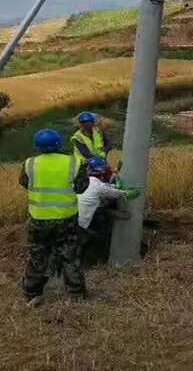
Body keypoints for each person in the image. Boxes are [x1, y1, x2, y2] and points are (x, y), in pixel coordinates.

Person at [19, 129, 89, 306]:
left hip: (39, 220)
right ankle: (76, 295)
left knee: (38, 258)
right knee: (70, 257)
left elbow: (25, 183)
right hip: (67, 220)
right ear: (59, 143)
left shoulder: (30, 163)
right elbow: (81, 188)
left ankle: (32, 294)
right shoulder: (74, 162)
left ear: (37, 146)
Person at [77, 157, 139, 265]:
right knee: (98, 237)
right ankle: (93, 260)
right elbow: (111, 192)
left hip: (74, 217)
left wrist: (115, 186)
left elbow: (105, 187)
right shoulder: (98, 185)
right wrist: (124, 193)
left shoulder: (88, 181)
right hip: (82, 221)